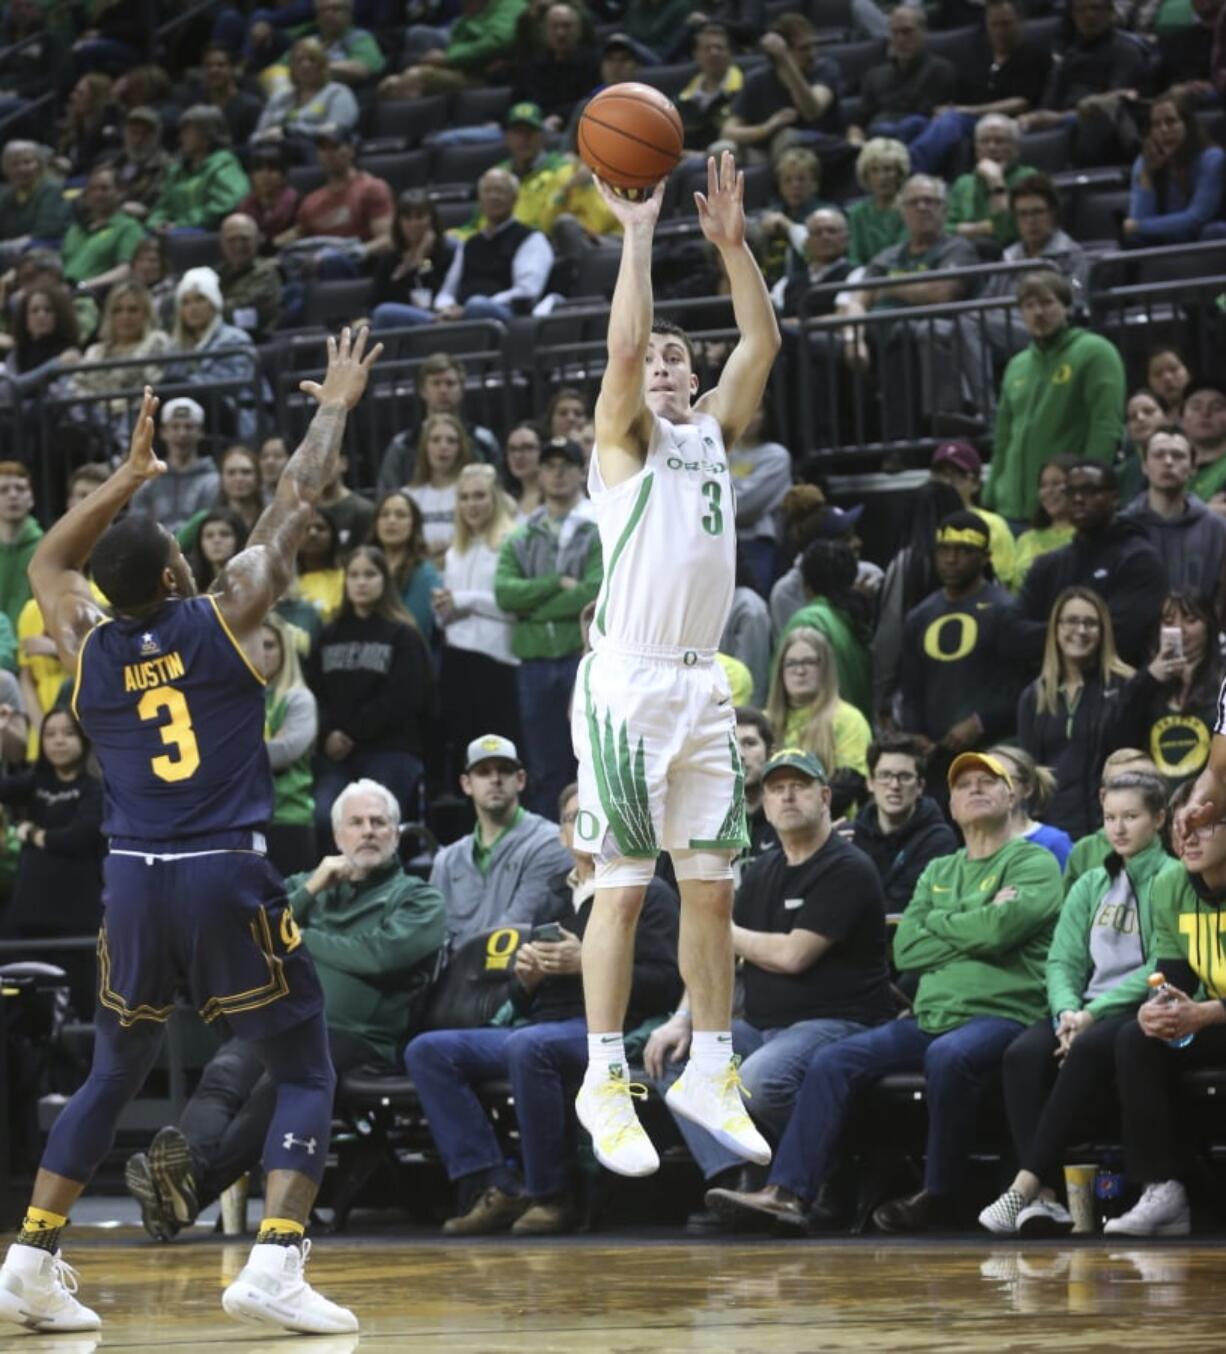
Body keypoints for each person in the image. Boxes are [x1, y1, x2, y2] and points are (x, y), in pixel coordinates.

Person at [0, 326, 381, 1336]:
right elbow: (294, 499)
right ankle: (275, 1263)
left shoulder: (84, 650)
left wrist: (127, 476)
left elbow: (47, 554)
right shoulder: (224, 615)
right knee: (303, 1067)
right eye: (177, 546)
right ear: (175, 578)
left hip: (130, 880)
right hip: (221, 871)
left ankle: (33, 1257)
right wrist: (335, 401)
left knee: (111, 1068)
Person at [569, 151, 781, 1179]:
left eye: (671, 357)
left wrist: (735, 251)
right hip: (626, 685)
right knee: (620, 888)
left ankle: (709, 1063)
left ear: (691, 376)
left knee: (710, 890)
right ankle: (603, 1073)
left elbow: (762, 337)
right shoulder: (620, 444)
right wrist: (641, 232)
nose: (655, 364)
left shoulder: (711, 435)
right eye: (646, 357)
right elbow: (616, 351)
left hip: (702, 681)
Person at [706, 750, 1061, 1234]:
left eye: (987, 781)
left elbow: (999, 933)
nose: (974, 789)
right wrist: (974, 923)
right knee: (835, 1061)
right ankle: (788, 1193)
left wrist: (943, 925)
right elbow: (910, 950)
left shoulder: (1035, 862)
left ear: (1013, 794)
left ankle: (938, 1195)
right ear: (951, 806)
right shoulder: (939, 870)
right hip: (928, 1017)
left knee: (949, 1057)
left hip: (1002, 1013)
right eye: (962, 785)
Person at [126, 778, 445, 1243]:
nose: (368, 831)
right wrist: (312, 888)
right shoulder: (304, 889)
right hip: (283, 1021)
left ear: (397, 834)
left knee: (276, 1087)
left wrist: (300, 940)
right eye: (356, 823)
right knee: (225, 1072)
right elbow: (252, 937)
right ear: (338, 838)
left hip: (359, 1036)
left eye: (380, 822)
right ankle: (182, 1181)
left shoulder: (419, 898)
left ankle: (183, 1197)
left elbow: (380, 956)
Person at [407, 779, 679, 1235]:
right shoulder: (554, 896)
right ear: (561, 835)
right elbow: (522, 1001)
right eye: (576, 818)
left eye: (598, 817)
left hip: (608, 1029)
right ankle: (495, 1185)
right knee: (428, 1051)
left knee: (529, 1047)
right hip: (542, 1025)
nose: (586, 827)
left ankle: (552, 1196)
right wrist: (527, 980)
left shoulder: (648, 892)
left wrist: (588, 963)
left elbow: (667, 984)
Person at [647, 747, 894, 1213]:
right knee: (675, 1060)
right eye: (777, 789)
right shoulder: (760, 871)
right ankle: (740, 1175)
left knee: (761, 1080)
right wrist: (683, 1017)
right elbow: (716, 957)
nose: (787, 797)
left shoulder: (847, 867)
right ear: (763, 801)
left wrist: (722, 930)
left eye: (799, 787)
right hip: (762, 1025)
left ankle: (826, 1166)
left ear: (825, 797)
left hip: (837, 1022)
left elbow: (793, 956)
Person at [979, 771, 1174, 1236]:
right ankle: (1046, 1200)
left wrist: (1091, 1015)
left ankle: (1022, 1185)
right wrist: (1068, 1012)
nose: (1119, 828)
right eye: (1110, 817)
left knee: (1089, 1047)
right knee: (1023, 1054)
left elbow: (1160, 965)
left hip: (1135, 1007)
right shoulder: (1090, 882)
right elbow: (1061, 960)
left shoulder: (1170, 877)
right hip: (1081, 1009)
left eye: (1131, 816)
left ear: (1160, 819)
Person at [1108, 784, 1226, 1236]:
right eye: (1183, 827)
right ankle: (1163, 1189)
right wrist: (1154, 1010)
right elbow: (1171, 979)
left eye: (1203, 826)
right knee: (1136, 1038)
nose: (1188, 839)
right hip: (1212, 1017)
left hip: (1216, 1015)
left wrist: (1208, 1014)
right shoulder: (1170, 884)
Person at [495, 437, 602, 819]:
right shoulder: (520, 535)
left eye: (566, 465)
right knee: (542, 768)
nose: (557, 473)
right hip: (535, 664)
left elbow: (596, 591)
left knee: (591, 760)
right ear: (538, 474)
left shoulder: (598, 526)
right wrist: (557, 585)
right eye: (550, 466)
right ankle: (554, 846)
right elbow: (505, 595)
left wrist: (534, 608)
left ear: (581, 471)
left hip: (582, 659)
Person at [841, 176, 984, 443]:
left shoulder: (957, 248)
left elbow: (942, 293)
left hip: (927, 333)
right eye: (914, 202)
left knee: (909, 334)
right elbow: (858, 300)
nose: (923, 207)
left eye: (931, 201)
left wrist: (887, 287)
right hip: (879, 336)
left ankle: (920, 435)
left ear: (944, 210)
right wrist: (853, 338)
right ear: (902, 211)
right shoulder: (888, 256)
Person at [306, 545, 433, 841]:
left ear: (384, 581)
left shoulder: (403, 635)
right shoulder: (328, 634)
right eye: (354, 575)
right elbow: (314, 692)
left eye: (370, 575)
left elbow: (403, 698)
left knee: (374, 824)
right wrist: (327, 735)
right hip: (336, 754)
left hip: (389, 749)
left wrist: (350, 733)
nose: (361, 582)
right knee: (324, 818)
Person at [985, 271, 1126, 525]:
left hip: (1064, 510)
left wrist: (1087, 492)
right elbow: (1003, 438)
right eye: (1029, 305)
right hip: (1009, 509)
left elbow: (1105, 427)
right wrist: (991, 492)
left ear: (1067, 307)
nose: (1038, 312)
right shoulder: (1017, 365)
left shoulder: (1095, 352)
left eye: (1047, 303)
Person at [899, 511, 1021, 789]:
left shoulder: (1006, 611)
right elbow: (911, 688)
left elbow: (1022, 688)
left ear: (986, 556)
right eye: (944, 550)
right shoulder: (919, 616)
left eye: (964, 551)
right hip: (934, 759)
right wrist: (914, 733)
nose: (951, 559)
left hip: (993, 752)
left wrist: (981, 723)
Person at [0, 708, 104, 1016]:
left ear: (84, 739)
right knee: (19, 1010)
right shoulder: (35, 782)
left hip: (77, 921)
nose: (59, 741)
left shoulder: (95, 788)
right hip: (27, 919)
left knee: (80, 1011)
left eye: (68, 734)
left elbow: (78, 837)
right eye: (50, 734)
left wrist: (32, 833)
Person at [1015, 460, 1167, 669]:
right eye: (1071, 492)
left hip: (1118, 689)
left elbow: (1122, 637)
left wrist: (1049, 634)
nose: (1078, 499)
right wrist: (1084, 632)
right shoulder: (1048, 564)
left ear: (1114, 498)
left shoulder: (1139, 560)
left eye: (1090, 491)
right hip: (1050, 688)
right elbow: (1014, 634)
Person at [429, 735, 576, 945]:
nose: (495, 779)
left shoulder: (551, 843)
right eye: (483, 772)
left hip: (515, 973)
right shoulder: (446, 860)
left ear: (521, 780)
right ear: (466, 784)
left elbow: (517, 929)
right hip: (456, 973)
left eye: (505, 770)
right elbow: (435, 935)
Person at [1018, 586, 1136, 839]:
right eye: (1071, 621)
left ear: (1103, 631)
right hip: (1052, 831)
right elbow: (1029, 772)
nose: (1081, 631)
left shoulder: (1125, 686)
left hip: (1111, 830)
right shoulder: (1034, 696)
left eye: (1090, 623)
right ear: (1056, 628)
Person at [435, 465, 521, 773]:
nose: (472, 504)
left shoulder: (511, 542)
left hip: (497, 659)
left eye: (480, 496)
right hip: (458, 657)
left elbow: (513, 606)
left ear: (495, 498)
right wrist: (443, 608)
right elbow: (450, 610)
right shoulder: (454, 551)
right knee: (465, 752)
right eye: (464, 497)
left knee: (502, 750)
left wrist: (463, 599)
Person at [1126, 590, 1225, 791]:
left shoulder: (1222, 677)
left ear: (1209, 625)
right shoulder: (1148, 680)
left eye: (1190, 620)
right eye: (1169, 621)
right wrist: (1149, 677)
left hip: (1210, 802)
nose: (1179, 629)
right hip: (1156, 803)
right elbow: (1119, 740)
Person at [851, 733, 958, 915]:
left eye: (905, 776)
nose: (894, 785)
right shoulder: (849, 836)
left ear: (920, 787)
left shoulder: (939, 840)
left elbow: (910, 906)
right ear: (870, 783)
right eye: (885, 775)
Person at [432, 169, 555, 324]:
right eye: (487, 191)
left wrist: (470, 308)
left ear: (514, 198)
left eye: (500, 191)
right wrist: (447, 308)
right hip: (459, 314)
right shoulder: (469, 243)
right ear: (479, 199)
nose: (493, 196)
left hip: (506, 318)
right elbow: (447, 292)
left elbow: (527, 291)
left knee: (477, 305)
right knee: (392, 313)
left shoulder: (531, 239)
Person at [1123, 425, 1226, 602]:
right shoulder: (1122, 526)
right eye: (1158, 455)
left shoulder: (1216, 529)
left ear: (1193, 468)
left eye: (1178, 456)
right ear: (1145, 467)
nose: (1168, 462)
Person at [720, 15, 841, 163]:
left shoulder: (825, 69)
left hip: (818, 147)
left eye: (813, 46)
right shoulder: (757, 79)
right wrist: (767, 127)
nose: (813, 54)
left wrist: (786, 60)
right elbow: (728, 131)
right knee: (721, 150)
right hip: (767, 152)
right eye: (804, 48)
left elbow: (812, 111)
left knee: (786, 138)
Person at [375, 352, 501, 491]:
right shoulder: (403, 445)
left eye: (450, 383)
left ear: (462, 389)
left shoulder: (483, 440)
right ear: (423, 390)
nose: (443, 390)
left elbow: (499, 491)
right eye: (436, 383)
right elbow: (387, 498)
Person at [766, 627, 872, 792]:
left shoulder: (849, 719)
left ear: (826, 667)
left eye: (809, 662)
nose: (800, 671)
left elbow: (850, 785)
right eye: (791, 663)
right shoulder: (764, 722)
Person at [776, 539, 872, 719]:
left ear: (806, 585)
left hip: (819, 732)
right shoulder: (852, 621)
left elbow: (783, 690)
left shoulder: (807, 621)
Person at [163, 267, 260, 441]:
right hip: (185, 422)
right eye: (185, 302)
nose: (192, 308)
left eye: (200, 300)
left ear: (214, 304)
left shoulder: (235, 339)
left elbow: (231, 386)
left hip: (233, 418)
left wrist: (184, 386)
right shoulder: (175, 347)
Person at [1123, 89, 1226, 246]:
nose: (1163, 130)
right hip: (1164, 240)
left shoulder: (1211, 158)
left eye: (1170, 121)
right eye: (1156, 124)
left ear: (1187, 125)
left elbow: (1196, 218)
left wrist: (1140, 227)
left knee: (1216, 231)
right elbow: (1137, 224)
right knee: (1133, 240)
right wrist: (1147, 175)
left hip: (1202, 240)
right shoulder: (1145, 161)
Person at [260, 612, 319, 877]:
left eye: (270, 645)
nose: (261, 652)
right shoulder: (234, 698)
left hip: (289, 819)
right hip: (243, 822)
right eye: (254, 643)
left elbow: (285, 753)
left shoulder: (299, 699)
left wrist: (238, 752)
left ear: (285, 650)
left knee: (293, 915)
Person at [847, 8, 956, 147]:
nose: (900, 39)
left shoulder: (941, 71)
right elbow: (857, 124)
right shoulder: (874, 76)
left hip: (917, 143)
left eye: (907, 31)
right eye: (895, 33)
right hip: (875, 146)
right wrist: (855, 141)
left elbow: (941, 121)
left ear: (923, 32)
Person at [1065, 747, 1162, 889]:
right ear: (1102, 796)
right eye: (1119, 785)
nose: (1129, 792)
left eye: (1142, 784)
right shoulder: (1084, 850)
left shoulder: (1178, 844)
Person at [147, 105, 250, 232]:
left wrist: (183, 224)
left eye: (188, 132)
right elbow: (163, 207)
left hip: (210, 233)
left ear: (207, 135)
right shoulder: (176, 171)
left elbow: (229, 201)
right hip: (175, 232)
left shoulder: (223, 164)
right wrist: (157, 223)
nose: (181, 138)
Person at [945, 115, 1037, 249]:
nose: (991, 147)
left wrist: (995, 180)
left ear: (1015, 148)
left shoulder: (1029, 178)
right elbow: (943, 229)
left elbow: (1007, 233)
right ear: (976, 149)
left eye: (1000, 141)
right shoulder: (963, 183)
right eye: (984, 141)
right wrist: (984, 228)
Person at [369, 191, 456, 330]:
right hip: (396, 326)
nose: (413, 223)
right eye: (407, 218)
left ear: (431, 219)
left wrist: (421, 259)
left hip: (436, 320)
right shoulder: (390, 259)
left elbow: (439, 296)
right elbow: (376, 301)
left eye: (419, 217)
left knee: (384, 312)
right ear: (399, 222)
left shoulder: (447, 254)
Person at [253, 37, 359, 146]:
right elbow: (255, 136)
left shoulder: (338, 93)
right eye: (298, 61)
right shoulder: (280, 97)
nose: (305, 65)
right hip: (278, 154)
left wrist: (289, 131)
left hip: (318, 152)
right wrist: (265, 137)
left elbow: (337, 133)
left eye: (312, 60)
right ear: (291, 67)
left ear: (323, 65)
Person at [368, 489, 441, 640]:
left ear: (414, 524)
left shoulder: (424, 573)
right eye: (384, 515)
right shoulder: (364, 566)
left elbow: (414, 627)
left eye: (400, 515)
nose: (391, 520)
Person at [60, 165, 146, 292]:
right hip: (63, 293)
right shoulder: (75, 230)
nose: (98, 194)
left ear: (120, 192)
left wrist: (82, 286)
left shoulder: (128, 227)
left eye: (104, 189)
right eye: (92, 189)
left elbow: (126, 270)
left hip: (95, 295)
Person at [989, 744, 1074, 870]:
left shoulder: (1054, 841)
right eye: (987, 779)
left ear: (1028, 789)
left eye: (1004, 778)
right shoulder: (975, 845)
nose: (990, 788)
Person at [406, 413, 473, 565]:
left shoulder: (474, 494)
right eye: (435, 440)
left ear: (461, 447)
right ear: (425, 447)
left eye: (451, 441)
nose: (443, 446)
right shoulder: (408, 496)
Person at [845, 138, 908, 268]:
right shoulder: (857, 213)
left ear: (899, 173)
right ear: (866, 175)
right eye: (874, 170)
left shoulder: (909, 208)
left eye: (888, 169)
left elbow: (903, 253)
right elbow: (854, 257)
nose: (882, 177)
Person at [1014, 455, 1077, 585]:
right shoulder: (1026, 539)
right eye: (1043, 485)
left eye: (1056, 484)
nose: (1048, 491)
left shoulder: (1086, 537)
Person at [218, 213, 281, 342]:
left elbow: (245, 312)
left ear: (257, 240)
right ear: (222, 243)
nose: (238, 245)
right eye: (232, 240)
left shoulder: (266, 273)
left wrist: (208, 309)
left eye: (244, 239)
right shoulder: (217, 274)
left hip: (254, 344)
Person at [736, 707, 778, 860]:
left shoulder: (790, 819)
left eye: (749, 743)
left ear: (770, 753)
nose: (739, 754)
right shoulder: (705, 825)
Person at [1182, 380, 1226, 506]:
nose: (1205, 413)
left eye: (1217, 407)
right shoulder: (1173, 467)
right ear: (1181, 419)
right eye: (1196, 407)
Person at [187, 507, 246, 593]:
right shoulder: (190, 582)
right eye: (209, 535)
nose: (216, 540)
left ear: (239, 540)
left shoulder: (253, 582)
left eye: (225, 534)